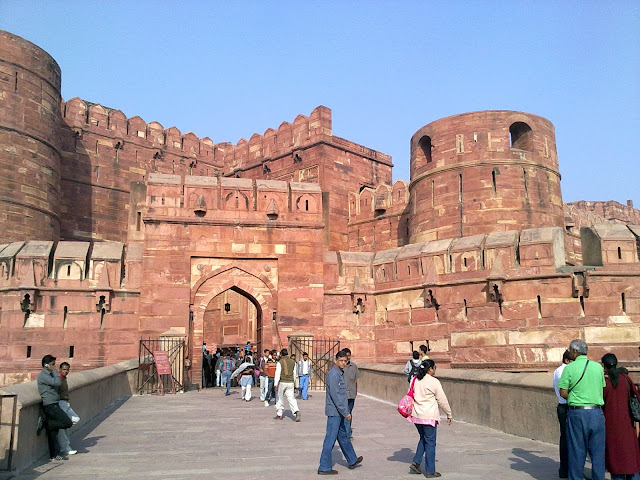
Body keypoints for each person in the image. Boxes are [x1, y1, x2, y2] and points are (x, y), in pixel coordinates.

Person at [557, 339, 606, 480]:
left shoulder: (569, 368)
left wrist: (575, 396)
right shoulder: (598, 367)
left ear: (575, 351)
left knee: (577, 452)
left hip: (577, 413)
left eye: (570, 349)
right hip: (597, 413)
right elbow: (601, 387)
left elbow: (563, 392)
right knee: (598, 454)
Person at [318, 349, 362, 475]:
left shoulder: (339, 373)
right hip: (335, 412)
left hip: (339, 411)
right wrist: (345, 412)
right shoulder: (334, 374)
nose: (343, 363)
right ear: (335, 361)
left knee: (343, 436)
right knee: (330, 439)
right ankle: (324, 467)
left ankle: (352, 459)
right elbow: (336, 396)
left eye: (345, 360)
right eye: (341, 360)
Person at [407, 359, 452, 477]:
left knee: (423, 438)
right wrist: (449, 413)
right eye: (434, 367)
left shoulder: (414, 380)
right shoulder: (434, 382)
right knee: (430, 443)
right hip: (428, 416)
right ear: (430, 369)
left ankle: (416, 462)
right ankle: (430, 470)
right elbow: (442, 400)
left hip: (417, 416)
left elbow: (409, 394)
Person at [601, 353, 640, 480]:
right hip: (628, 424)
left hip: (611, 425)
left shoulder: (604, 382)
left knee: (615, 460)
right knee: (631, 459)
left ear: (604, 366)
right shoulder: (625, 379)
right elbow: (636, 397)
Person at [36, 355, 73, 461]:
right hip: (50, 405)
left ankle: (53, 455)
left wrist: (53, 371)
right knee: (67, 423)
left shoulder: (50, 374)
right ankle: (47, 423)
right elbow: (57, 382)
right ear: (46, 365)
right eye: (52, 364)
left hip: (54, 403)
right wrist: (56, 371)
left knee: (53, 434)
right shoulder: (43, 375)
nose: (54, 366)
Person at [553, 350, 573, 478]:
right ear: (567, 360)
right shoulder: (563, 371)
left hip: (563, 406)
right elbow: (564, 391)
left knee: (566, 438)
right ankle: (567, 469)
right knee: (568, 439)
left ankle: (565, 469)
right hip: (567, 407)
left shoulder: (557, 371)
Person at [57, 362, 80, 456]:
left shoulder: (63, 378)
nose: (66, 371)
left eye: (67, 370)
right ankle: (66, 448)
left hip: (65, 403)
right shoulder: (57, 379)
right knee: (63, 426)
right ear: (60, 369)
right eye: (64, 369)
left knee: (75, 419)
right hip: (60, 404)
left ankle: (64, 443)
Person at [274, 348, 300, 421]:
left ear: (281, 354)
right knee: (291, 398)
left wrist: (275, 384)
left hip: (282, 382)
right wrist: (293, 382)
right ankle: (296, 411)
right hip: (290, 382)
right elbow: (295, 373)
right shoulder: (293, 362)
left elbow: (277, 373)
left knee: (280, 398)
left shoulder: (280, 362)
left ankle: (279, 414)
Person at [342, 348, 359, 439]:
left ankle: (347, 431)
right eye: (346, 356)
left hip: (351, 393)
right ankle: (347, 433)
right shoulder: (340, 367)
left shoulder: (354, 366)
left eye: (349, 355)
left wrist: (356, 391)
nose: (348, 358)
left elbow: (355, 380)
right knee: (345, 413)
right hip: (342, 394)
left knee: (349, 413)